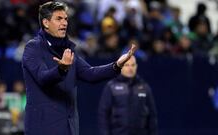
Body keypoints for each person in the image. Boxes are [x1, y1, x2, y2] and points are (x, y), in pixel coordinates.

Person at [22, 1, 137, 135]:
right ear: (46, 23)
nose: (64, 23)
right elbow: (43, 78)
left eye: (65, 19)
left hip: (69, 128)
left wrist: (116, 65)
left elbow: (90, 74)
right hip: (43, 128)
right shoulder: (33, 48)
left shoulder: (68, 50)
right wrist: (61, 69)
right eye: (58, 19)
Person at [98, 56, 158, 135]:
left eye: (133, 65)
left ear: (136, 66)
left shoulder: (144, 87)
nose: (130, 68)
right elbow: (103, 114)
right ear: (121, 66)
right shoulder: (111, 87)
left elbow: (152, 115)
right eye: (127, 65)